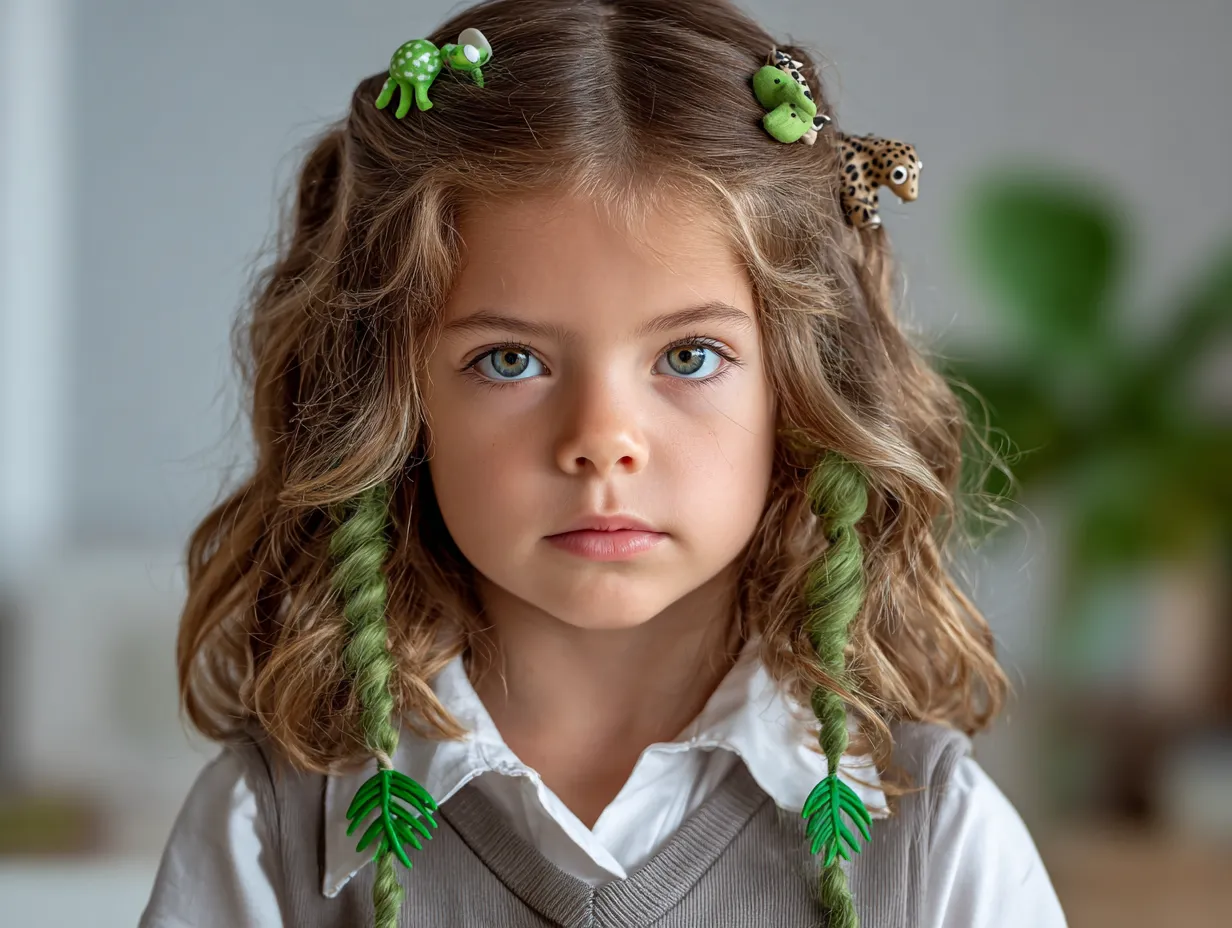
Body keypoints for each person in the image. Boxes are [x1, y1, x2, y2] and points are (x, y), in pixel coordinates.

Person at [138, 1, 1068, 926]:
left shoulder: (940, 842)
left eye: (689, 356)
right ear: (392, 398)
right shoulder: (264, 833)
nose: (602, 438)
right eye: (511, 360)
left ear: (803, 386)